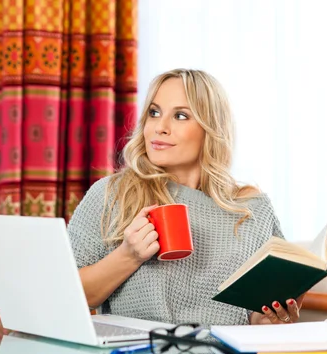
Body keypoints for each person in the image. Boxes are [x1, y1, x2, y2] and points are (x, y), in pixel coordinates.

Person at [67, 68, 305, 326]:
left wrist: (265, 321)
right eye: (154, 113)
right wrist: (129, 255)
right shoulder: (112, 193)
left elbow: (258, 310)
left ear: (210, 128)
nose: (160, 127)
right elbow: (69, 292)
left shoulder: (252, 208)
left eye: (180, 116)